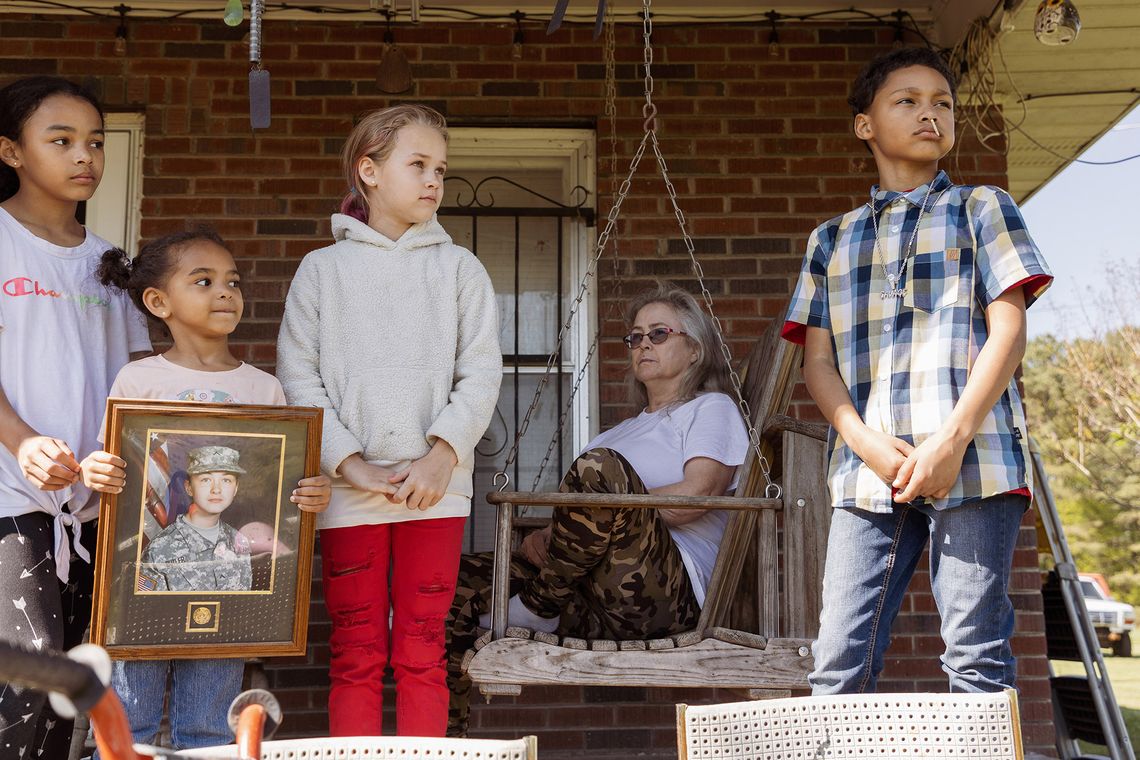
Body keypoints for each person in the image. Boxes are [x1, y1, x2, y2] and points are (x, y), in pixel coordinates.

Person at [781, 47, 1054, 695]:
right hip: (868, 472)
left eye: (943, 103)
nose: (929, 113)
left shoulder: (982, 207)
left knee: (975, 656)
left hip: (975, 457)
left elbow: (1009, 330)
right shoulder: (830, 239)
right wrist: (867, 443)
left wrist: (950, 440)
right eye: (907, 100)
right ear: (865, 124)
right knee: (839, 660)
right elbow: (818, 364)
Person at [276, 104, 502, 738]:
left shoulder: (461, 270)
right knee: (355, 652)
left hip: (437, 490)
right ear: (368, 171)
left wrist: (442, 456)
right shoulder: (322, 271)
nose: (434, 181)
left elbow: (481, 374)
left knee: (424, 650)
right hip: (351, 493)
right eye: (418, 165)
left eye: (442, 170)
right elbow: (300, 377)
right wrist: (352, 465)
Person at [445, 282, 750, 737]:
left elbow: (695, 497)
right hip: (587, 595)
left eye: (659, 333)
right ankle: (446, 737)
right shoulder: (614, 434)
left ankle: (538, 605)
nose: (643, 343)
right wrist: (550, 536)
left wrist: (602, 510)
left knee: (600, 470)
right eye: (635, 336)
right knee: (452, 588)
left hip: (665, 597)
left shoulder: (711, 409)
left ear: (694, 350)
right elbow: (581, 519)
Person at [88, 228, 331, 752]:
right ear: (159, 302)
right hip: (142, 591)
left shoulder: (263, 388)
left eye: (233, 282)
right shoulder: (138, 381)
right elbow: (116, 466)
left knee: (208, 726)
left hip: (228, 594)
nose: (226, 292)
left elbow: (282, 479)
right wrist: (98, 470)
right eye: (204, 281)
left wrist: (310, 492)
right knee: (130, 724)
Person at [0, 76, 152, 759]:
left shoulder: (112, 266)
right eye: (60, 141)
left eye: (93, 141)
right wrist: (23, 441)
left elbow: (140, 386)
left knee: (77, 696)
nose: (84, 155)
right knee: (25, 686)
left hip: (96, 511)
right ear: (11, 151)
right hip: (10, 500)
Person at [138, 445, 253, 592]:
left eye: (226, 480)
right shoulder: (159, 549)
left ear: (236, 488)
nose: (216, 489)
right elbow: (146, 612)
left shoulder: (239, 541)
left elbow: (245, 607)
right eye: (206, 480)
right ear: (189, 487)